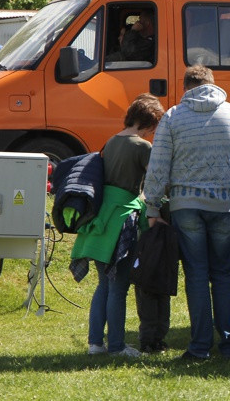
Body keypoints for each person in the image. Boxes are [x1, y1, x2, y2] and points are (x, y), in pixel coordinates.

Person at [143, 64, 230, 360]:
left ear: (185, 87)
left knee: (197, 274)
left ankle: (200, 346)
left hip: (185, 205)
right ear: (213, 84)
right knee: (223, 274)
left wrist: (152, 207)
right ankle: (228, 345)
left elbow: (158, 165)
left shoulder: (173, 116)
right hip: (224, 205)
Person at [70, 93, 165, 358]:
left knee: (104, 284)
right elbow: (156, 182)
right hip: (123, 219)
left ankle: (95, 343)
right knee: (119, 286)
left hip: (101, 219)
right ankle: (117, 346)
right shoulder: (142, 147)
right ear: (150, 121)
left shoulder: (112, 141)